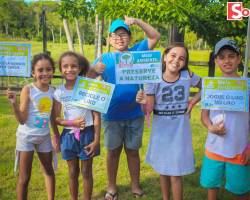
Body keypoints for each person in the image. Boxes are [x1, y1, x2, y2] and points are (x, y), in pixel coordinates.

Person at [88, 16, 160, 200]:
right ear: (110, 39)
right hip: (111, 115)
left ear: (129, 37)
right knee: (113, 152)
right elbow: (86, 80)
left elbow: (155, 36)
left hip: (135, 114)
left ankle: (135, 186)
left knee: (133, 151)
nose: (120, 38)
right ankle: (111, 187)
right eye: (115, 35)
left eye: (124, 34)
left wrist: (136, 21)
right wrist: (95, 70)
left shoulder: (137, 52)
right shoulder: (104, 58)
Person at [136, 43, 201, 200]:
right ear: (165, 57)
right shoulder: (154, 78)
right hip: (161, 132)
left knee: (176, 172)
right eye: (173, 55)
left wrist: (192, 102)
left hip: (179, 132)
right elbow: (148, 110)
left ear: (185, 63)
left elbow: (207, 87)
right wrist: (142, 101)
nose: (176, 60)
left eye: (182, 58)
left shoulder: (188, 76)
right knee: (163, 169)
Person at [200, 38, 250, 200]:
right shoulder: (211, 85)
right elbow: (204, 116)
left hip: (239, 149)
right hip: (214, 148)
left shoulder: (247, 87)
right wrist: (210, 127)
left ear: (239, 58)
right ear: (216, 60)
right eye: (221, 57)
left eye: (231, 56)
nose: (226, 60)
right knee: (212, 186)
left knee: (241, 190)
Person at [6, 53, 56, 200]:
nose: (45, 73)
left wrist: (56, 135)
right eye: (40, 70)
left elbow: (52, 116)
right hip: (26, 137)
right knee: (24, 177)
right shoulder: (29, 89)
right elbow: (22, 120)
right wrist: (14, 103)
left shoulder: (53, 91)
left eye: (48, 69)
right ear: (33, 73)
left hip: (44, 137)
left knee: (49, 171)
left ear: (53, 71)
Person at [52, 51, 100, 200]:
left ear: (79, 69)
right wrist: (71, 123)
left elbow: (96, 115)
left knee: (86, 171)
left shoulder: (87, 87)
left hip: (88, 134)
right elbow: (56, 118)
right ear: (61, 69)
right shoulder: (59, 92)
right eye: (65, 66)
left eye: (74, 66)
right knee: (72, 172)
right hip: (68, 135)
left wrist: (96, 139)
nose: (70, 69)